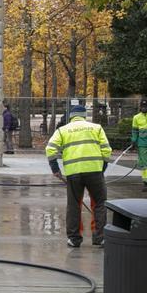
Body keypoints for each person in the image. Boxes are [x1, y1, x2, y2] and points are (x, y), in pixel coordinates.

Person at [45, 105, 112, 248]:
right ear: (84, 115)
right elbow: (106, 149)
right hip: (94, 171)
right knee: (100, 203)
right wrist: (103, 167)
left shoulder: (63, 130)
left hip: (73, 173)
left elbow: (50, 148)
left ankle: (74, 239)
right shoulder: (96, 128)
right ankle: (100, 238)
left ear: (71, 116)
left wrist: (55, 168)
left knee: (74, 205)